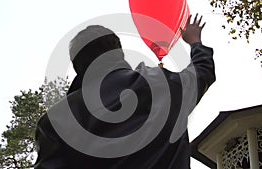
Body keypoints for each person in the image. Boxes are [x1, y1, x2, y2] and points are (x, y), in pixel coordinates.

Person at [34, 14, 215, 169]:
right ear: (118, 52)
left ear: (77, 65)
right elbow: (202, 72)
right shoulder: (161, 83)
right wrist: (195, 41)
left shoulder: (55, 120)